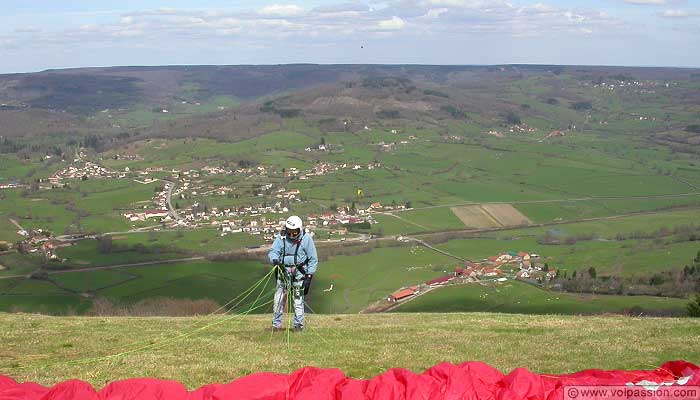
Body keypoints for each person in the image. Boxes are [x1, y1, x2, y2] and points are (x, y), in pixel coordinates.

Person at [268, 215, 318, 331]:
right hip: (283, 273)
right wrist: (275, 260)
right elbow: (273, 251)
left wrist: (309, 277)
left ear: (299, 230)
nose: (291, 235)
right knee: (278, 300)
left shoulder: (307, 239)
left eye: (294, 232)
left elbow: (313, 259)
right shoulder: (281, 238)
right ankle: (276, 325)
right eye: (289, 231)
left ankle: (298, 325)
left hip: (299, 275)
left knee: (297, 300)